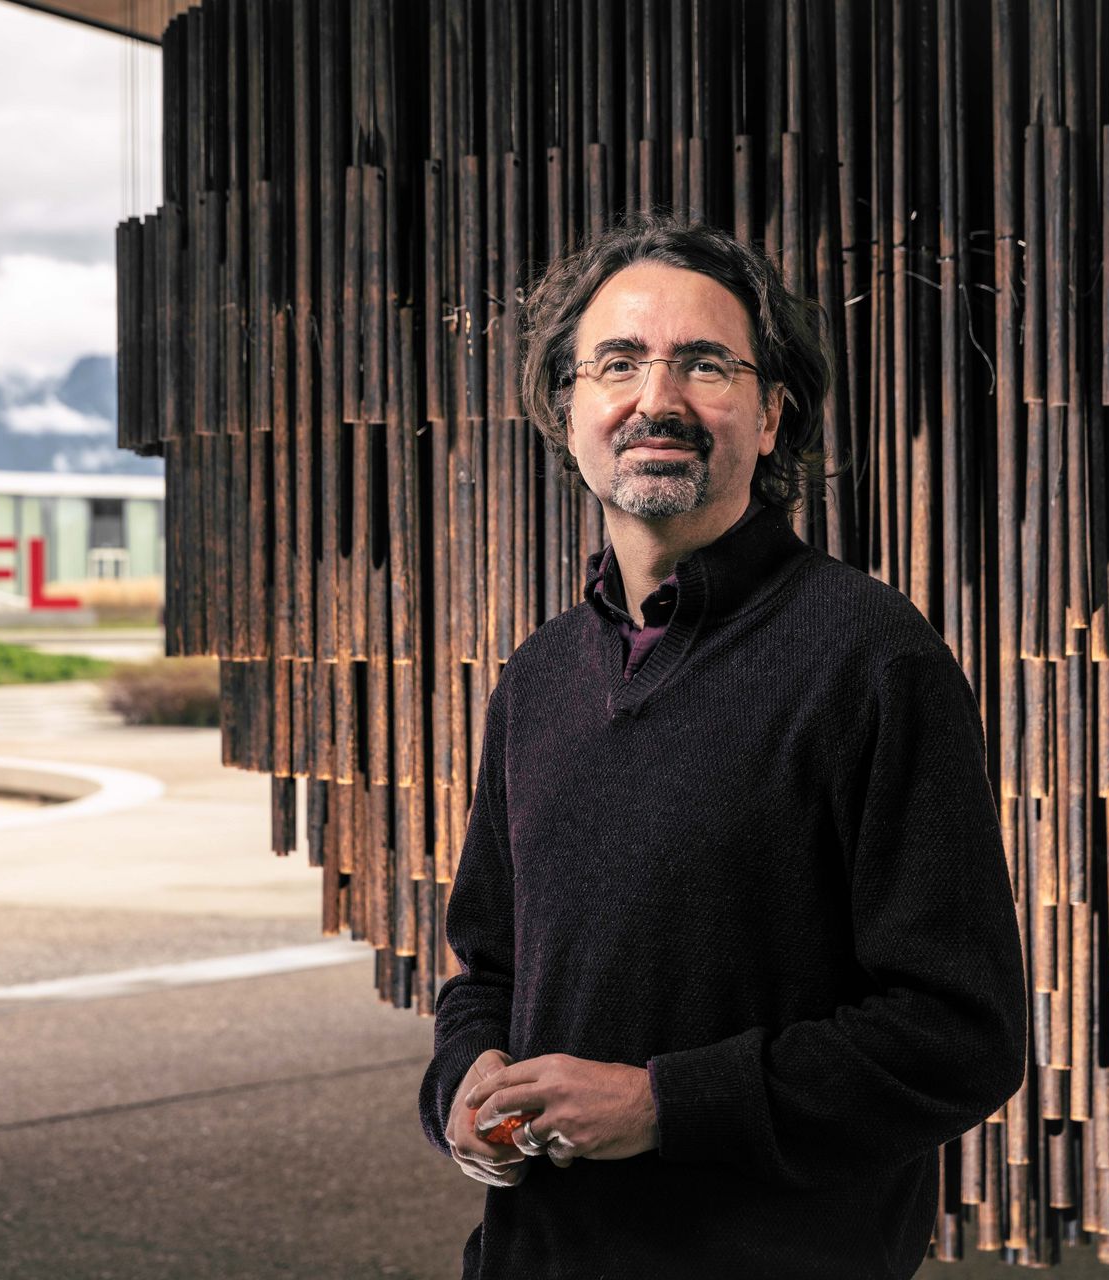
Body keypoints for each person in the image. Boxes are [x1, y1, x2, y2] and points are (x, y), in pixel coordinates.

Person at [416, 213, 1028, 1279]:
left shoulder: (873, 659)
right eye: (617, 363)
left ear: (771, 410)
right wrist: (463, 1083)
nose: (657, 399)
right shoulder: (540, 676)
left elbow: (960, 1034)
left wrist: (662, 1102)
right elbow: (489, 967)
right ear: (568, 411)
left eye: (705, 364)